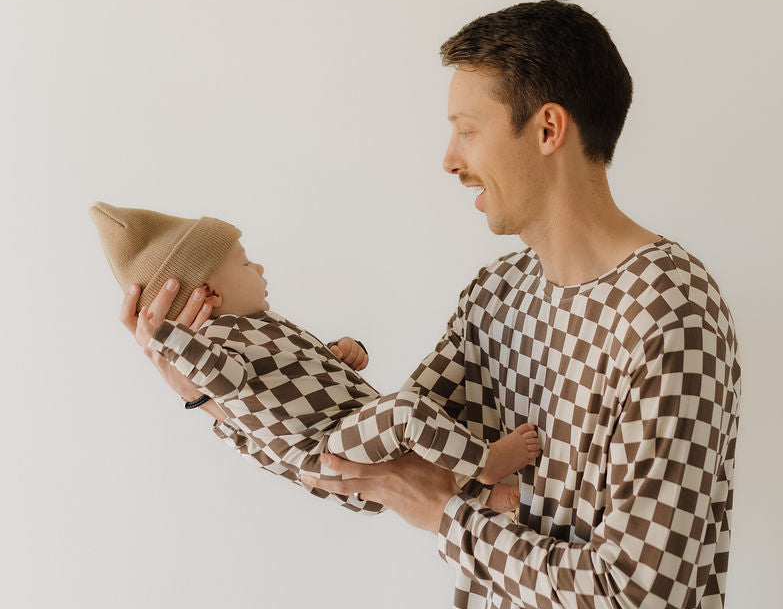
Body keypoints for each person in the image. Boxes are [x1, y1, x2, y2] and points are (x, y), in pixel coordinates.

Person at [124, 0, 742, 609]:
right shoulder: (498, 298)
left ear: (547, 128)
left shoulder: (670, 315)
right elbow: (368, 473)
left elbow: (639, 604)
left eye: (465, 128)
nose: (449, 159)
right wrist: (215, 381)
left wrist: (450, 515)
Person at [94, 202, 536, 512]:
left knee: (450, 358)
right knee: (406, 413)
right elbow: (223, 378)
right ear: (210, 293)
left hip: (358, 414)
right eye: (246, 264)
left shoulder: (261, 325)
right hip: (330, 447)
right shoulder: (218, 343)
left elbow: (302, 374)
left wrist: (346, 353)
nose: (260, 270)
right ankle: (485, 466)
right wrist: (168, 338)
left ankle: (477, 486)